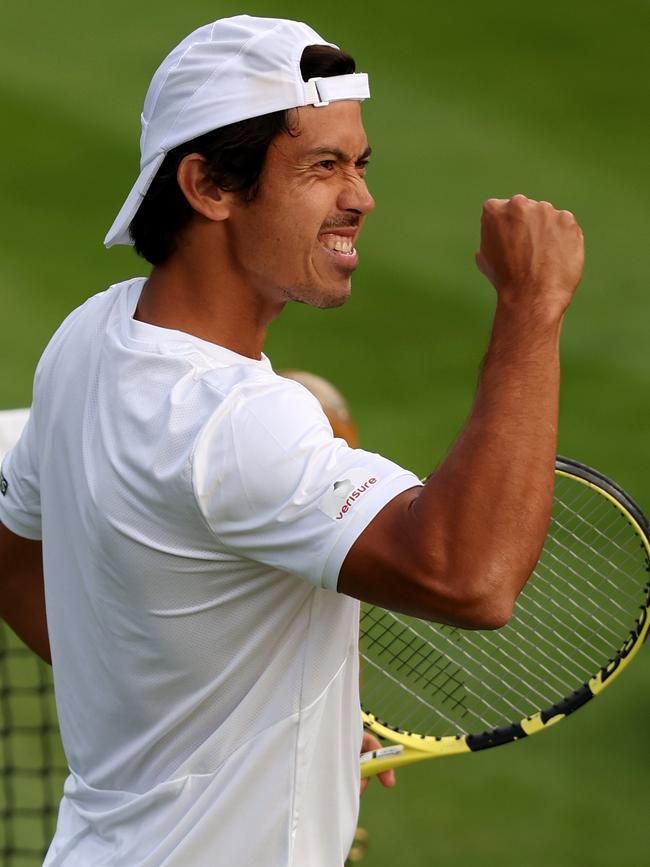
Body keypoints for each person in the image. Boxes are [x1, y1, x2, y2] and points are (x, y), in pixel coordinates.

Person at [0, 13, 584, 867]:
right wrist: (531, 309)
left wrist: (226, 716)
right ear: (208, 186)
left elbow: (15, 555)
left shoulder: (92, 336)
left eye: (360, 163)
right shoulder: (240, 425)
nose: (361, 197)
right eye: (323, 167)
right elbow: (473, 576)